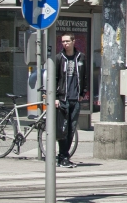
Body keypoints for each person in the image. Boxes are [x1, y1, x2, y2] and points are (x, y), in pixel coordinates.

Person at [55, 34, 87, 168]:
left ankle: (64, 156)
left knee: (71, 129)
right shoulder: (59, 58)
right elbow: (55, 77)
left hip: (75, 98)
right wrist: (56, 97)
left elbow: (85, 76)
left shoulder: (81, 57)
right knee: (63, 129)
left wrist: (83, 93)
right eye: (63, 41)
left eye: (67, 41)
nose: (65, 44)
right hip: (63, 98)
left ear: (73, 42)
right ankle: (63, 157)